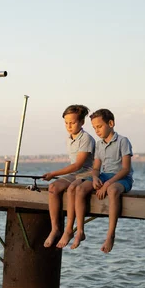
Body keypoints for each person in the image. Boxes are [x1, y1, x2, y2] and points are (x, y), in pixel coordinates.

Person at [71, 108, 134, 253]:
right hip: (104, 176)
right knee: (80, 189)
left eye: (99, 126)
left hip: (122, 177)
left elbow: (125, 169)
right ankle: (80, 230)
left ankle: (110, 235)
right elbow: (96, 168)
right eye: (94, 128)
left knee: (112, 191)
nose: (97, 131)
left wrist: (107, 184)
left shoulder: (123, 141)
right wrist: (94, 178)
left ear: (110, 123)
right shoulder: (99, 144)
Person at [42, 104, 95, 248]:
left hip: (88, 174)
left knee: (72, 188)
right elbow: (74, 168)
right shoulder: (69, 138)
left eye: (72, 122)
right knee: (53, 187)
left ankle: (69, 230)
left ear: (82, 122)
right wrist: (53, 177)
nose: (69, 126)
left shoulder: (86, 139)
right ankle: (55, 229)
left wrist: (53, 173)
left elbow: (78, 165)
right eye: (66, 123)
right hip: (75, 174)